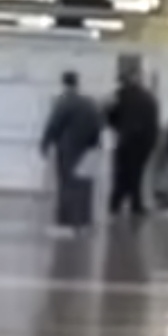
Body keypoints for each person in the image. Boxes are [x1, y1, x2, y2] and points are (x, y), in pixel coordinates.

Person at [38, 71, 104, 235]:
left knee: (68, 185)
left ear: (63, 83)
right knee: (85, 186)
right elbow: (99, 124)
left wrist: (45, 144)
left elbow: (53, 125)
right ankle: (84, 222)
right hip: (90, 149)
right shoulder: (90, 102)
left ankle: (67, 222)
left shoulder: (64, 102)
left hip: (69, 148)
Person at [105, 71, 161, 219]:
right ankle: (136, 204)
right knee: (137, 173)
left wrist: (117, 128)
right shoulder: (149, 97)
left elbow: (110, 114)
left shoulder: (120, 95)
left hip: (127, 139)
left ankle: (115, 203)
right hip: (145, 142)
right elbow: (154, 121)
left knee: (121, 172)